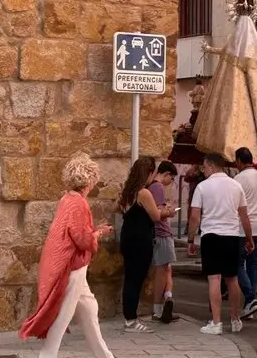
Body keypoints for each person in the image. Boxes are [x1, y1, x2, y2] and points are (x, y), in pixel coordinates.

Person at [20, 153, 115, 358]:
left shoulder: (67, 199)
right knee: (62, 317)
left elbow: (73, 232)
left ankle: (105, 355)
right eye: (93, 180)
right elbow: (82, 240)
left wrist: (94, 231)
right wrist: (99, 233)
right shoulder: (79, 203)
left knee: (89, 309)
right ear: (88, 180)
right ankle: (47, 356)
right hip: (72, 267)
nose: (93, 185)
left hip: (66, 264)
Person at [188, 152, 255, 335]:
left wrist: (190, 239)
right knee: (232, 279)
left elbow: (195, 217)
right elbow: (244, 216)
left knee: (214, 278)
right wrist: (249, 239)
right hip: (232, 236)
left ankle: (216, 322)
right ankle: (235, 319)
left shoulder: (202, 187)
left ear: (210, 166)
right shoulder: (236, 186)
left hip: (211, 236)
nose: (204, 170)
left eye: (204, 167)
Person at [119, 155, 176, 333]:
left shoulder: (127, 191)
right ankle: (131, 320)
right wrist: (167, 211)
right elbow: (156, 216)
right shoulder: (144, 193)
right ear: (149, 173)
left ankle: (128, 317)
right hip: (140, 239)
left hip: (127, 237)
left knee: (129, 279)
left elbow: (118, 208)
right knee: (136, 281)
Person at [234, 147, 257, 319]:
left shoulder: (238, 179)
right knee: (253, 266)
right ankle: (251, 304)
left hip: (243, 229)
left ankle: (250, 298)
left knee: (237, 264)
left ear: (239, 160)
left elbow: (235, 204)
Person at [148, 160, 178, 323]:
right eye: (171, 178)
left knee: (166, 268)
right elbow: (159, 212)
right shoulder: (157, 187)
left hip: (157, 233)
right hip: (162, 232)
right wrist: (170, 212)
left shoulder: (151, 187)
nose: (170, 182)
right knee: (163, 269)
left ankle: (166, 298)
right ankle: (158, 308)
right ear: (166, 174)